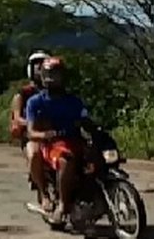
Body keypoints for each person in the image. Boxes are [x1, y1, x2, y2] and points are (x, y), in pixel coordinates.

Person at [24, 57, 94, 225]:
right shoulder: (35, 102)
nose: (51, 79)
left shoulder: (74, 101)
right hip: (54, 144)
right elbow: (31, 131)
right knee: (65, 159)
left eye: (55, 74)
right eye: (48, 74)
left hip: (76, 141)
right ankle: (62, 204)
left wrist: (93, 129)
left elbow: (86, 120)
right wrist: (46, 135)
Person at [10, 50, 52, 210]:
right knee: (34, 154)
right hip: (32, 136)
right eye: (37, 65)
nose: (40, 69)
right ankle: (43, 193)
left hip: (54, 134)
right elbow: (17, 117)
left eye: (43, 65)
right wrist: (32, 123)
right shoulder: (23, 94)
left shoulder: (55, 92)